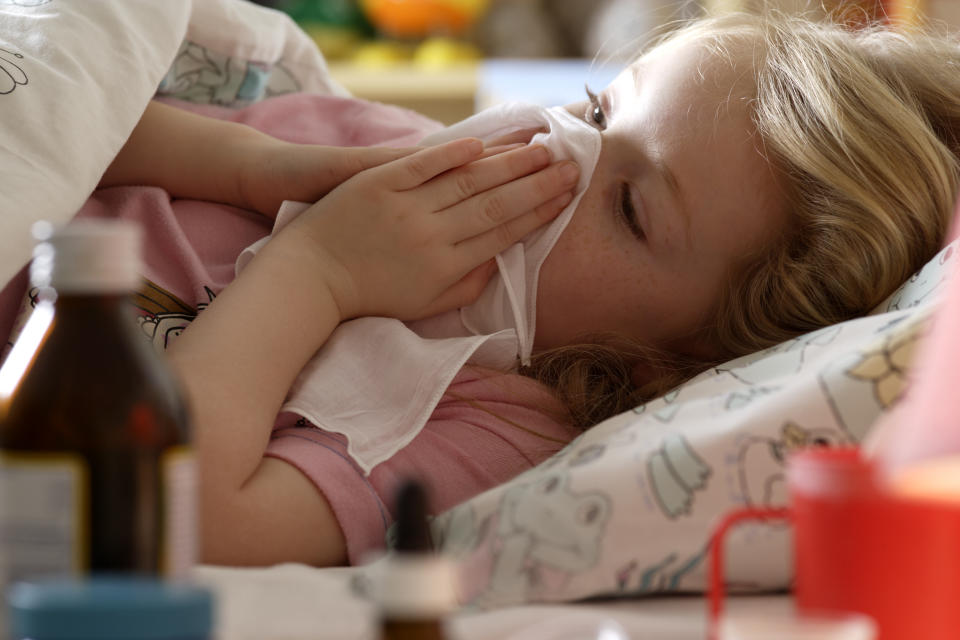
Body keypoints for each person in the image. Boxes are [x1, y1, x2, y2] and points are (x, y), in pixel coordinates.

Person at [5, 9, 959, 568]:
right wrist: (255, 165)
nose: (559, 148)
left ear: (670, 364)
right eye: (596, 108)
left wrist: (319, 272)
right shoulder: (396, 154)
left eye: (629, 208)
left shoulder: (498, 425)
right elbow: (86, 115)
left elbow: (171, 513)